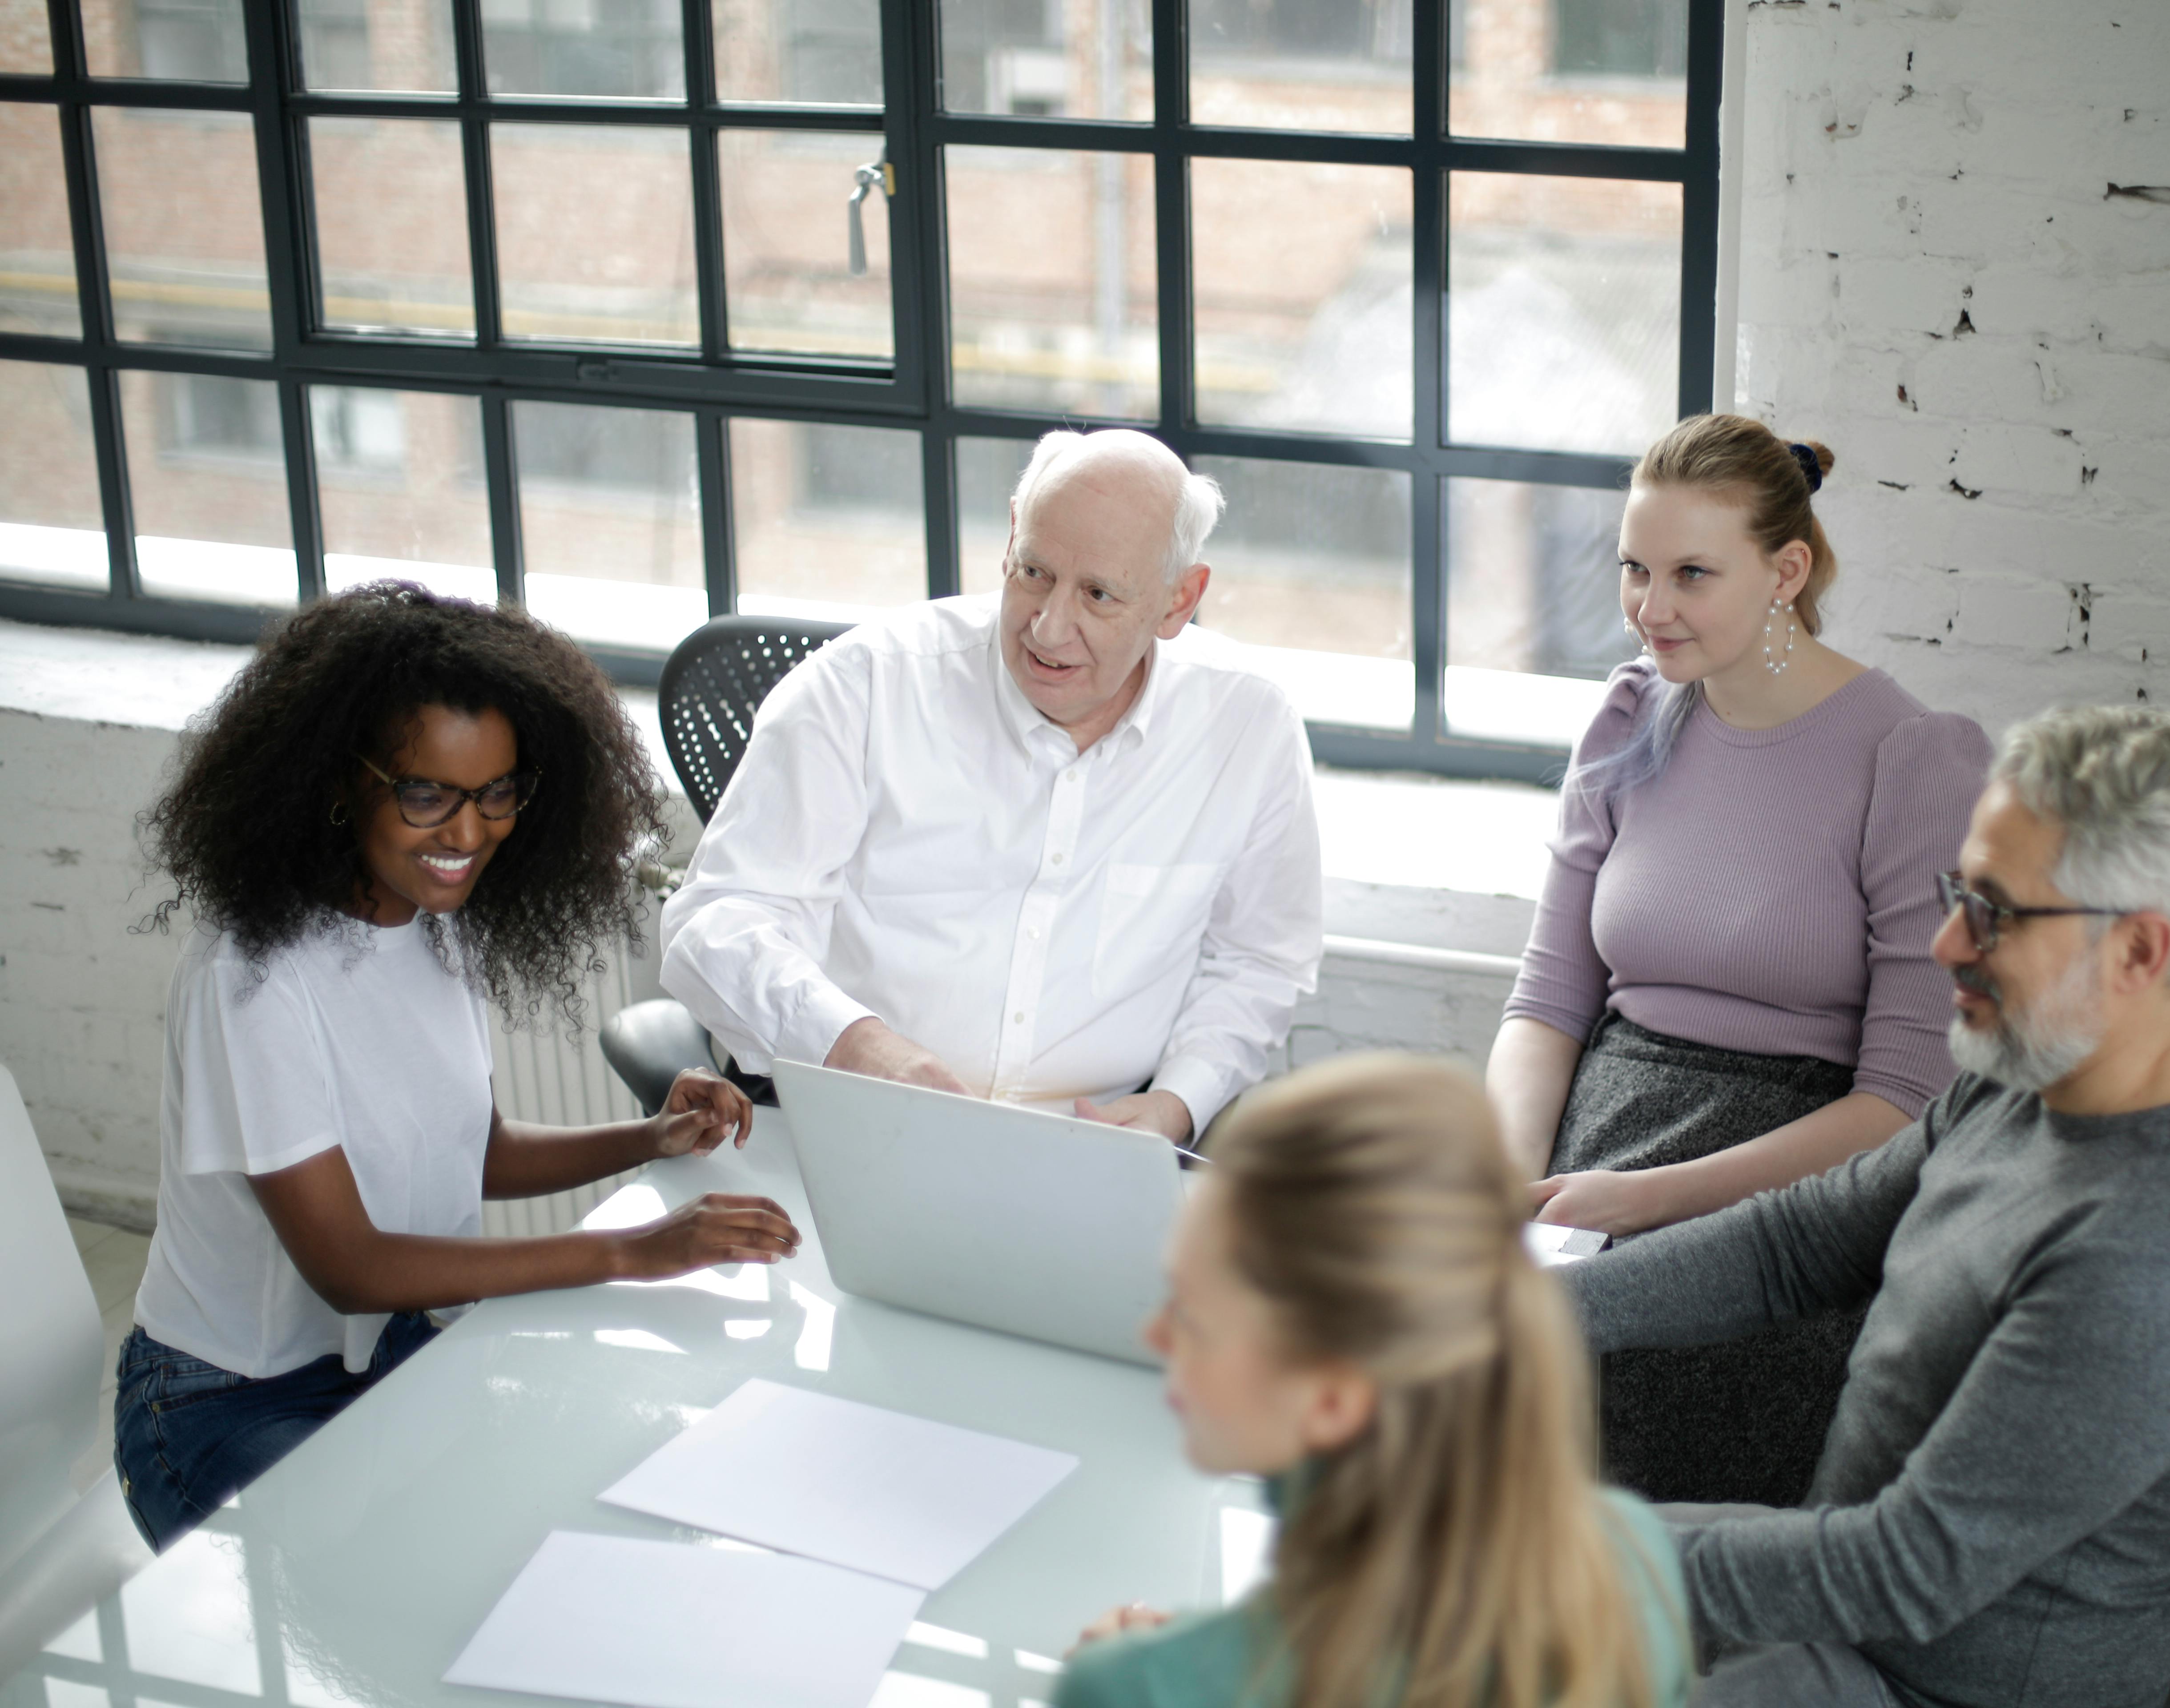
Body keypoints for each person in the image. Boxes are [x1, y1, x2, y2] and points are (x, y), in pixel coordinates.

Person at [1564, 705, 2170, 1708]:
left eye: (1997, 913)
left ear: (2141, 952)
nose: (1946, 943)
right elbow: (1796, 1246)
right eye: (1959, 891)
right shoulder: (2034, 1070)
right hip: (1853, 1610)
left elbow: (1905, 1570)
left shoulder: (2164, 1258)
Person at [119, 583, 801, 1551]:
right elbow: (351, 1266)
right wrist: (629, 1252)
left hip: (388, 1353)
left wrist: (648, 1139)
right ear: (338, 781)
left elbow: (471, 1152)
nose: (468, 834)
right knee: (398, 1603)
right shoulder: (255, 978)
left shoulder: (439, 923)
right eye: (426, 793)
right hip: (224, 1403)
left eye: (496, 794)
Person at [1484, 412, 1990, 1507]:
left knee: (1636, 1439)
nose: (1648, 608)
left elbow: (1905, 1101)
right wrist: (1508, 1184)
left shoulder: (1915, 758)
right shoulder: (1629, 715)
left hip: (1790, 1208)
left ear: (1786, 571)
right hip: (1597, 1159)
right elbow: (1550, 999)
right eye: (1633, 569)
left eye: (1690, 575)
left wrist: (1644, 1204)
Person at [660, 427, 1321, 1147]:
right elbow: (716, 920)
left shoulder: (1247, 724)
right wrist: (856, 1045)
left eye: (1098, 595)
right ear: (1013, 535)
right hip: (847, 1119)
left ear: (1178, 601)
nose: (1048, 626)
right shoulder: (866, 684)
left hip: (1090, 1150)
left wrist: (1178, 1105)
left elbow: (1257, 961)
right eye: (1034, 572)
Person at [1056, 1054, 1692, 1708]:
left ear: (1331, 1400)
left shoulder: (1138, 1684)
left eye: (1193, 1314)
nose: (1155, 1337)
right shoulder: (1636, 1555)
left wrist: (1153, 1675)